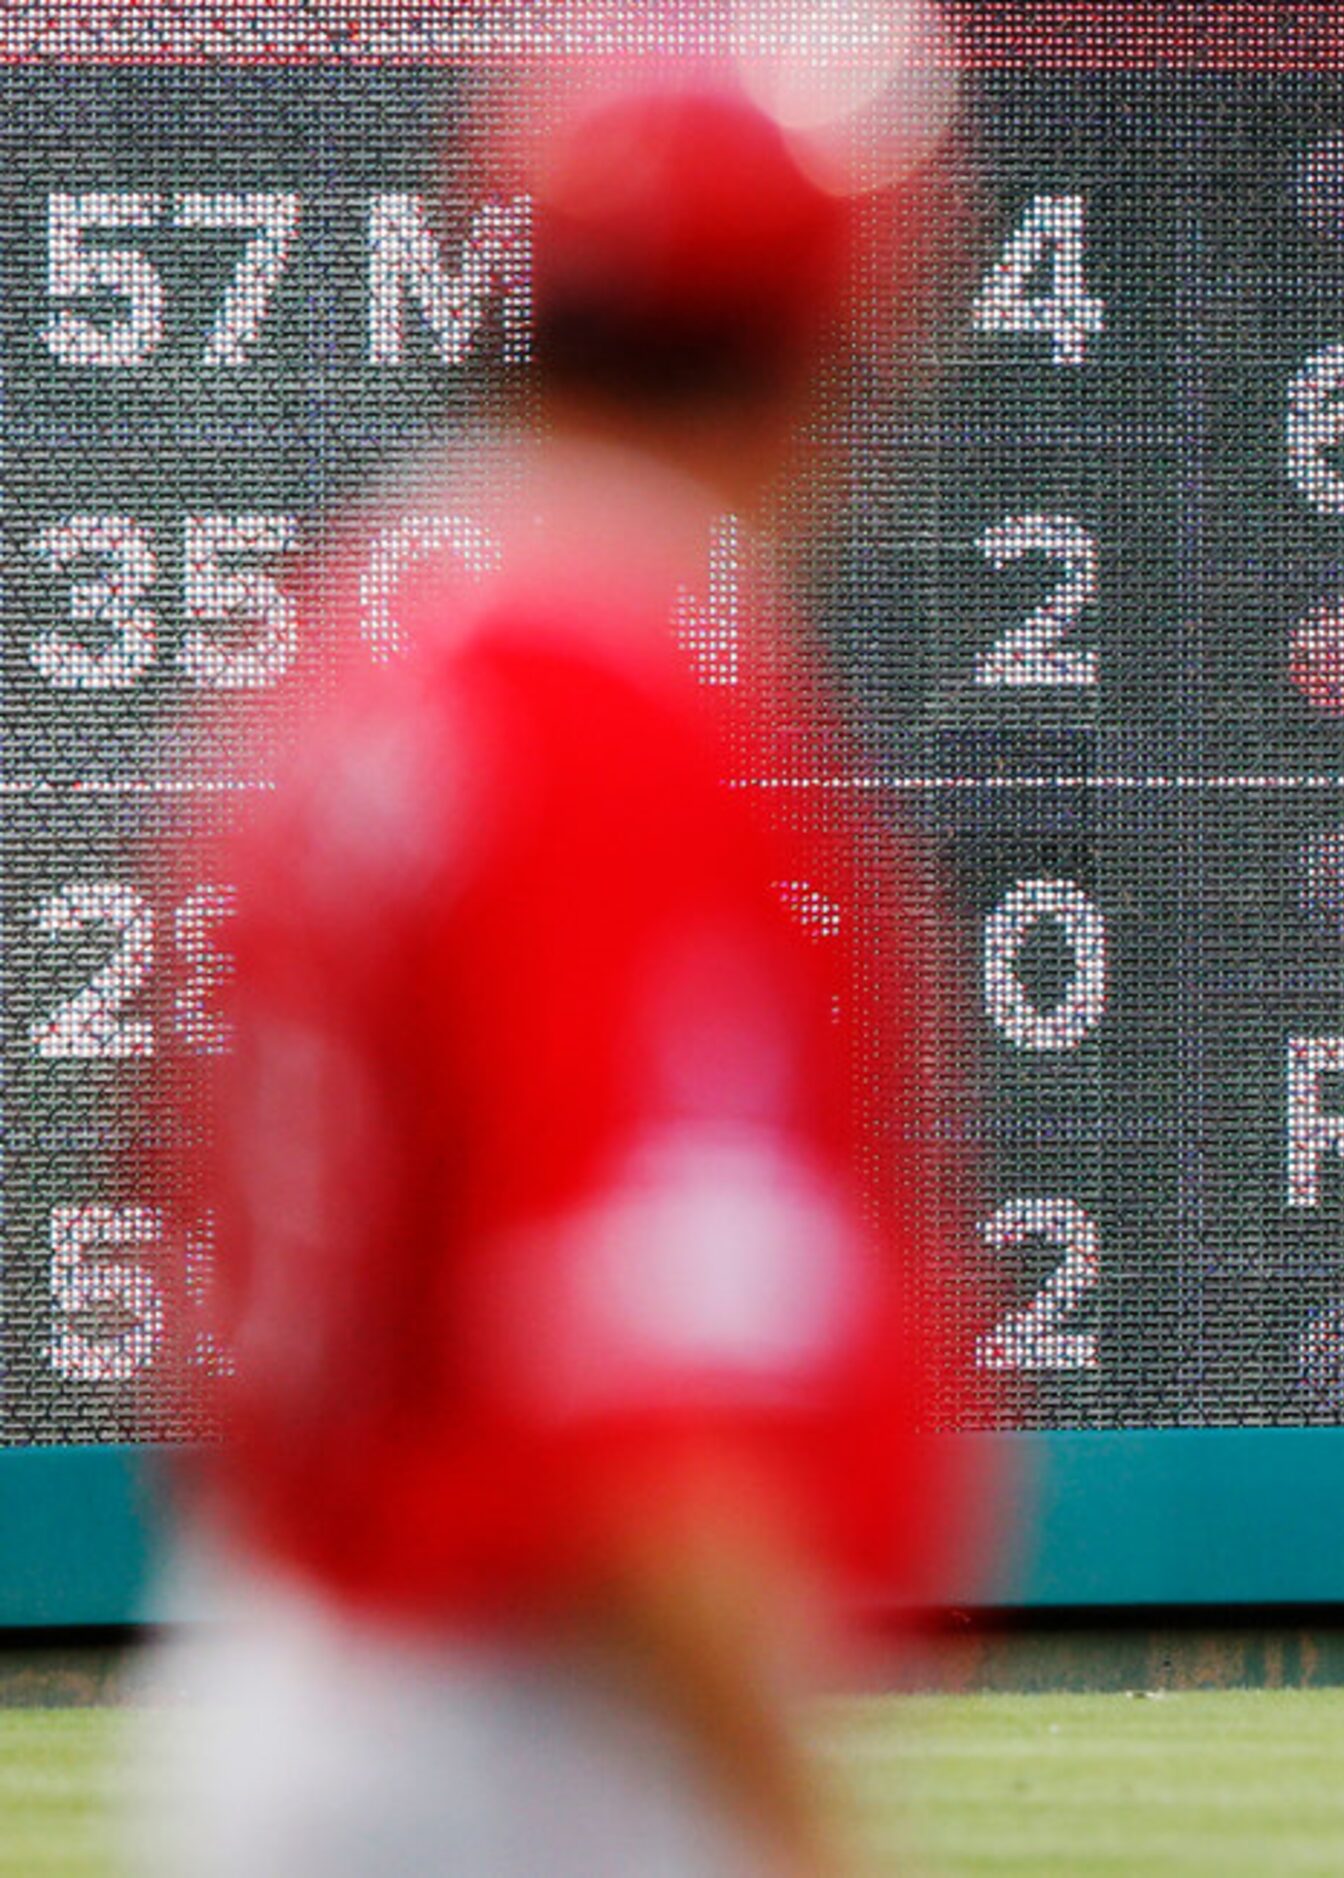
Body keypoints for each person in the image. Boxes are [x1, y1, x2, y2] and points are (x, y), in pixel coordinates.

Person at [133, 35, 974, 1874]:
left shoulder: (356, 654)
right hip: (523, 1724)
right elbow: (630, 1397)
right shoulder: (608, 697)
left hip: (293, 1646)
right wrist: (795, 1822)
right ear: (829, 345)